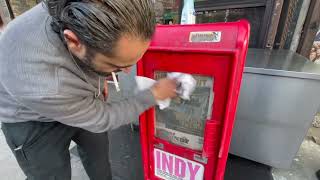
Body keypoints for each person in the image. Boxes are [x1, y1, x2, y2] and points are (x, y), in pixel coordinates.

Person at [0, 0, 177, 179]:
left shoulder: (79, 9)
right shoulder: (48, 85)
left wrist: (100, 79)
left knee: (99, 161)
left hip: (71, 97)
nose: (128, 71)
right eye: (117, 66)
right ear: (73, 41)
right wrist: (153, 94)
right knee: (52, 175)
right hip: (30, 121)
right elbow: (105, 117)